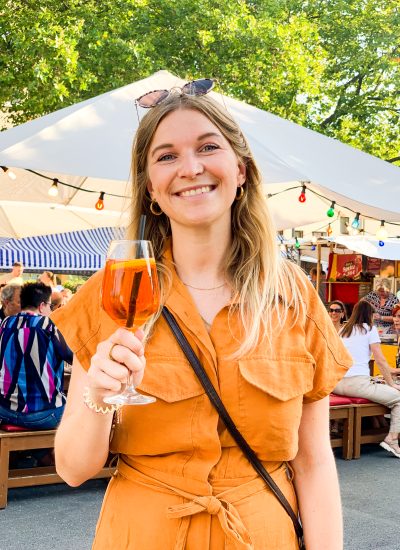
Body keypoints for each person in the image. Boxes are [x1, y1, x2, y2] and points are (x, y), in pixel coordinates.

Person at [53, 87, 352, 550]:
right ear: (151, 187)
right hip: (142, 535)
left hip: (263, 535)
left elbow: (313, 463)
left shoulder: (293, 296)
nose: (190, 168)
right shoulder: (113, 290)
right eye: (166, 155)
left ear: (241, 170)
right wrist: (97, 393)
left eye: (208, 147)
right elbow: (73, 470)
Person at [0, 282, 72, 429]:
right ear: (42, 306)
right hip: (43, 415)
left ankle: (32, 452)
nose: (51, 310)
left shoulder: (6, 323)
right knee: (78, 410)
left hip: (4, 411)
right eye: (50, 307)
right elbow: (73, 358)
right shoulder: (48, 323)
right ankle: (44, 452)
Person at [333, 300, 400, 458]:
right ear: (369, 315)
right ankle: (392, 439)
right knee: (398, 399)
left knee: (376, 384)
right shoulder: (370, 329)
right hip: (357, 384)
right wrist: (391, 384)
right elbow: (380, 360)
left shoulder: (342, 331)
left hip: (337, 384)